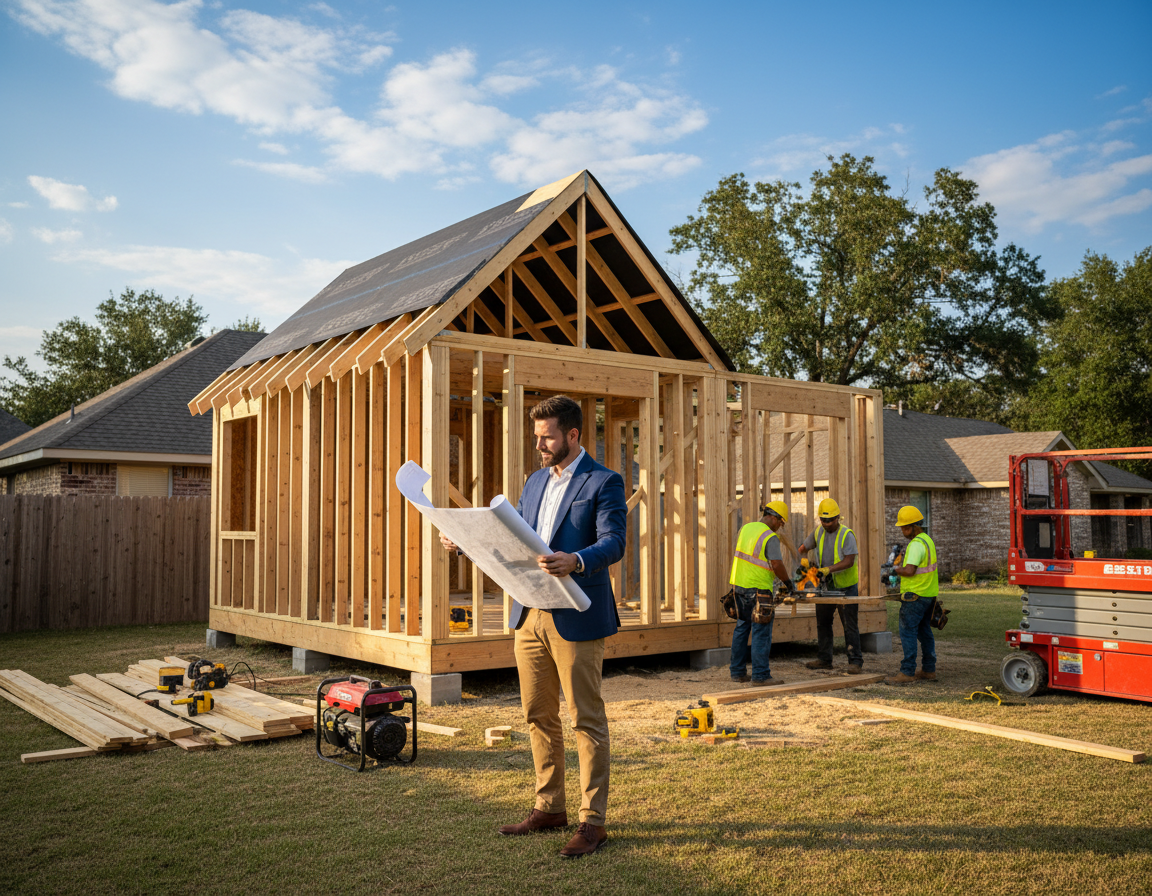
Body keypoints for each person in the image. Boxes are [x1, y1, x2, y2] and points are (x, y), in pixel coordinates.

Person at [440, 395, 626, 858]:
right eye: (536, 437)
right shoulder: (535, 480)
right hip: (528, 614)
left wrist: (576, 559)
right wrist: (465, 543)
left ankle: (592, 822)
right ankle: (549, 807)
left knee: (586, 719)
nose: (539, 445)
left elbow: (614, 542)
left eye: (547, 437)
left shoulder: (604, 481)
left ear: (573, 435)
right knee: (538, 715)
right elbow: (513, 540)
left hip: (577, 614)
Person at [728, 500, 795, 686]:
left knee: (742, 628)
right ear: (773, 517)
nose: (780, 527)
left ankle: (737, 672)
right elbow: (777, 564)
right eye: (781, 522)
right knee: (761, 632)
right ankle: (760, 676)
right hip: (759, 589)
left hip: (739, 586)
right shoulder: (769, 536)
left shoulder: (746, 528)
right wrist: (788, 583)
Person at [800, 498, 864, 674]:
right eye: (823, 520)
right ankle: (824, 659)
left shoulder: (847, 535)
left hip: (846, 587)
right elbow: (802, 548)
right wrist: (805, 563)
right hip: (826, 587)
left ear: (838, 518)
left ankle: (855, 661)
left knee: (849, 625)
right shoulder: (818, 532)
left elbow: (849, 561)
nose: (826, 524)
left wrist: (828, 569)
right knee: (823, 623)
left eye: (829, 520)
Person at [888, 505, 939, 684]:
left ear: (913, 526)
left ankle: (907, 672)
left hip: (915, 596)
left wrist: (895, 570)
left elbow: (909, 571)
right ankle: (928, 670)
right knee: (924, 633)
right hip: (928, 595)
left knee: (908, 632)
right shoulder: (927, 540)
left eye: (904, 527)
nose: (902, 531)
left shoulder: (916, 544)